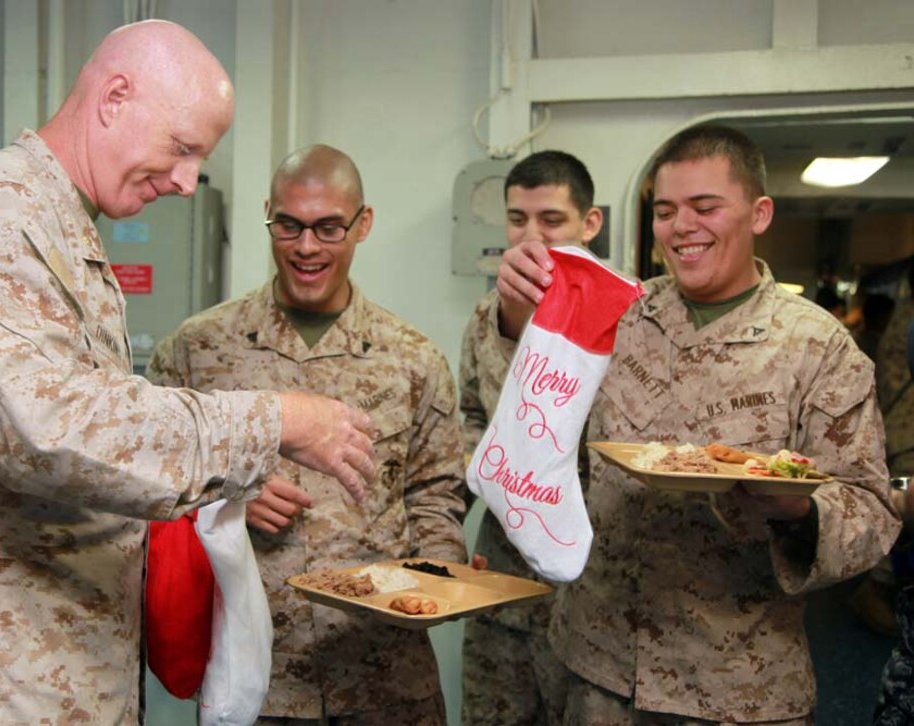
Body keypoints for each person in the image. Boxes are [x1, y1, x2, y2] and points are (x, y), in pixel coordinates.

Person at [0, 21, 377, 724]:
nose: (187, 181)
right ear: (113, 97)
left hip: (51, 652)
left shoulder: (56, 220)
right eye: (182, 148)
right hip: (1, 668)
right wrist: (275, 419)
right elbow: (46, 431)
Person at [497, 125, 901, 723]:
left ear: (759, 213)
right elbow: (533, 415)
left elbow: (871, 512)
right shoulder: (619, 315)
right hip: (596, 668)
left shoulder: (818, 347)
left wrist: (797, 509)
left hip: (737, 682)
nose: (681, 227)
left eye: (705, 207)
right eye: (665, 211)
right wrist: (514, 311)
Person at [146, 144, 467, 724]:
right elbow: (147, 483)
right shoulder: (197, 350)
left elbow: (437, 495)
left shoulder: (414, 359)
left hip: (384, 673)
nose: (307, 247)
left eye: (328, 228)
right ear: (269, 215)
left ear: (362, 223)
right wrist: (225, 495)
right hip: (254, 674)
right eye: (289, 225)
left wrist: (442, 579)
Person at [457, 150, 603, 725]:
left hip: (596, 596)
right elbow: (471, 422)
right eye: (518, 219)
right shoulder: (485, 316)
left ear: (589, 225)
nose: (532, 236)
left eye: (552, 220)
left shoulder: (630, 319)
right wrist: (436, 541)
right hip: (503, 588)